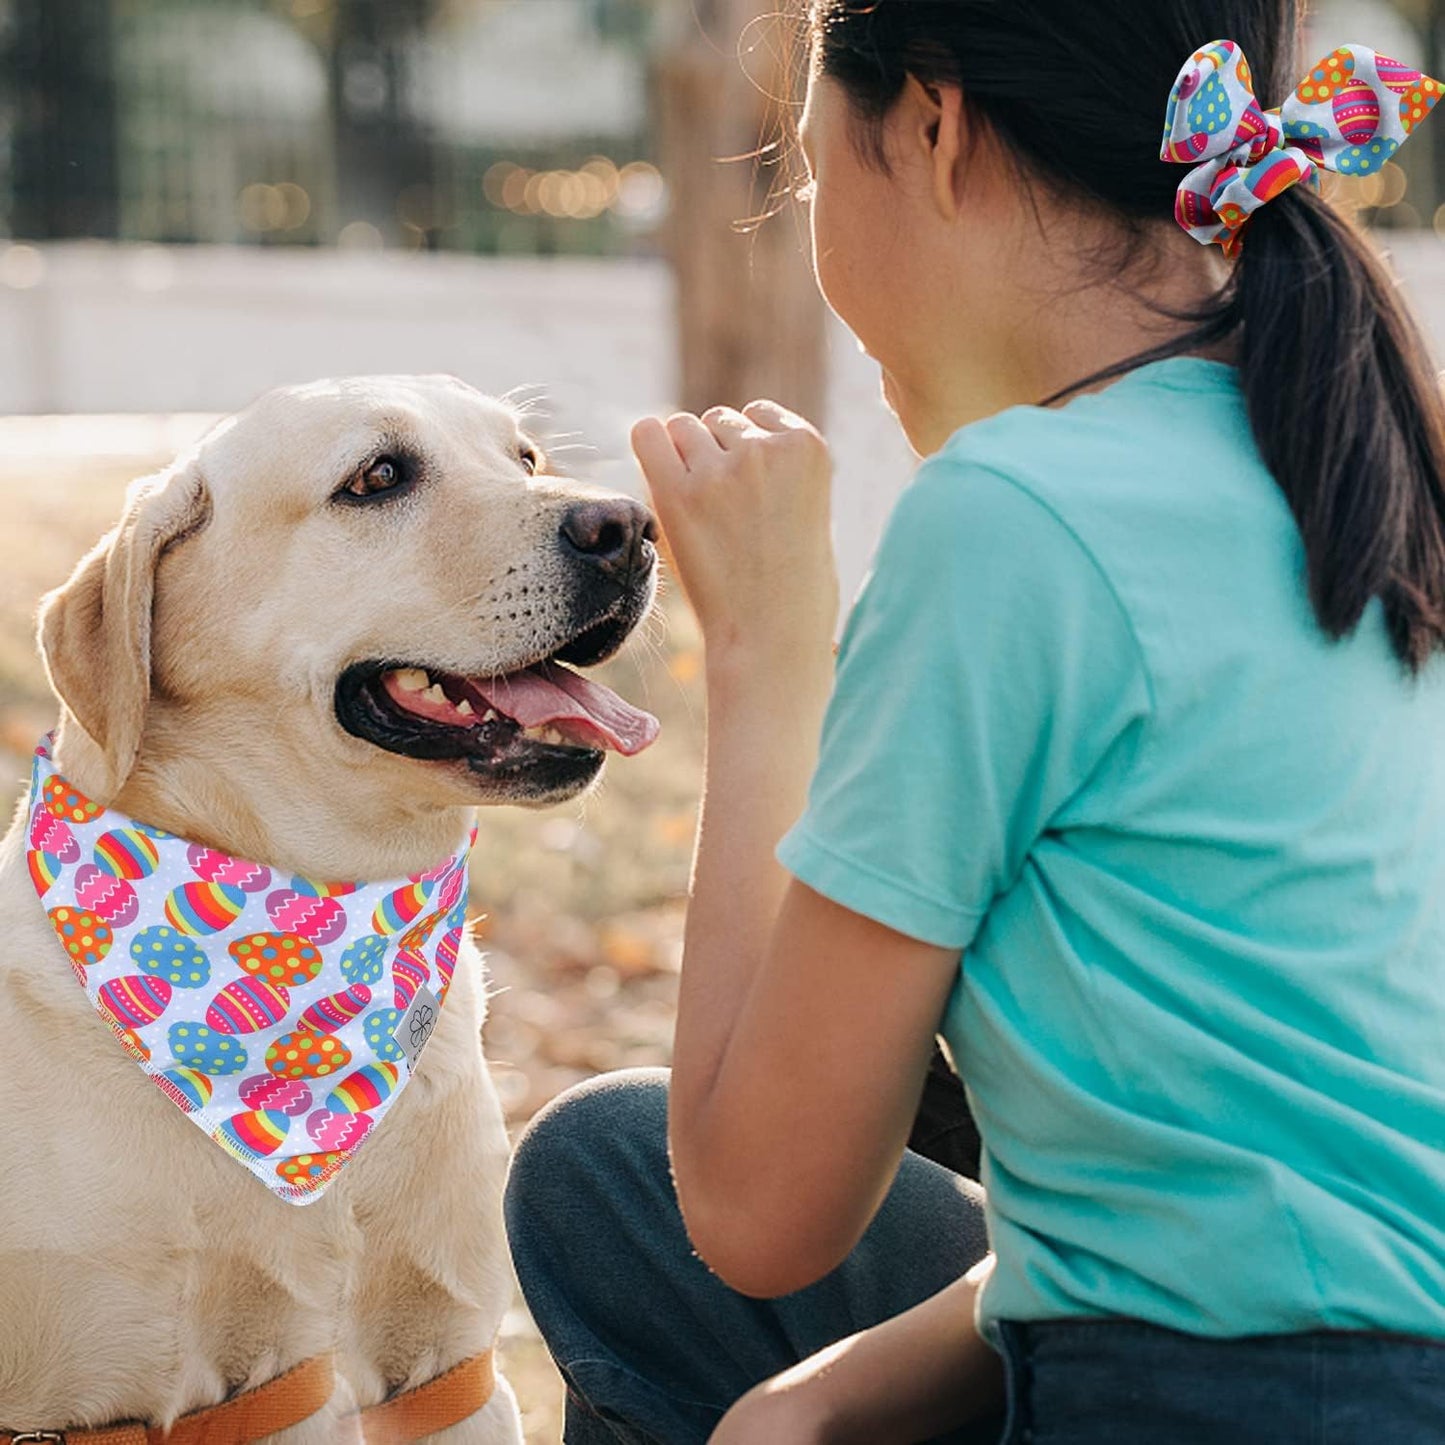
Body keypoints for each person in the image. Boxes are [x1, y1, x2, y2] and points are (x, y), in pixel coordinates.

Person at [504, 2, 1445, 1440]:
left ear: (934, 128)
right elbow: (1264, 1180)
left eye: (812, 175)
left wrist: (763, 649)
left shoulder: (1014, 517)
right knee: (612, 1161)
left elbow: (759, 1211)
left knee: (634, 1187)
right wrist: (815, 1398)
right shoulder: (1363, 469)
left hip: (1203, 1398)